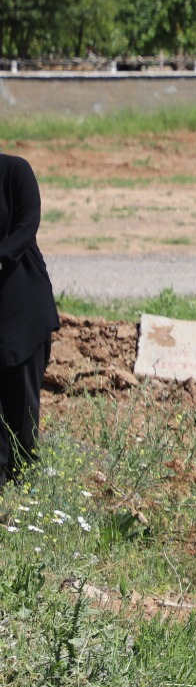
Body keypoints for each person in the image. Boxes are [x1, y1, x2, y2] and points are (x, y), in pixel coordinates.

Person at [0, 153, 59, 489]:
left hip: (22, 309)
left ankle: (23, 490)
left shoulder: (15, 171)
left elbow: (26, 226)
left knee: (21, 409)